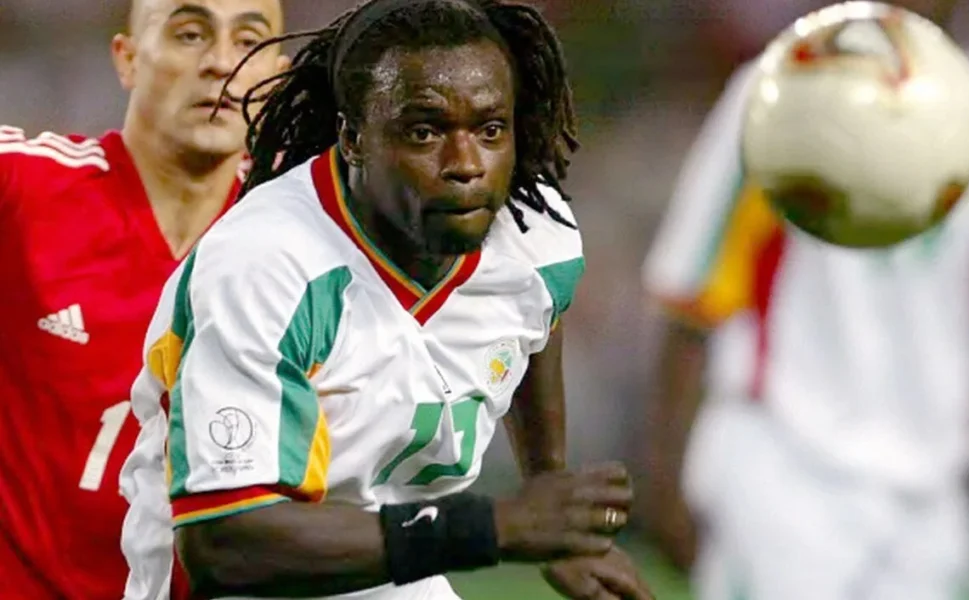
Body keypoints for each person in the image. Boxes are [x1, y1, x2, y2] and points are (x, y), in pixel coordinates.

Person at [119, 0, 654, 599]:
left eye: (490, 129)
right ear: (353, 139)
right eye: (425, 131)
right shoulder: (265, 266)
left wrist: (549, 495)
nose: (466, 164)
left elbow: (537, 316)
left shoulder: (534, 235)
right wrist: (497, 526)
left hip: (398, 567)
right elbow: (225, 545)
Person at [641, 1, 969, 599]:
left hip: (929, 493)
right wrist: (664, 481)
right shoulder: (782, 88)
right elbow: (690, 294)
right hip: (784, 468)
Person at [0, 1, 288, 598]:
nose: (222, 63)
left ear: (277, 78)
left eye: (249, 42)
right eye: (190, 34)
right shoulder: (24, 188)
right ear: (127, 59)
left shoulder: (301, 241)